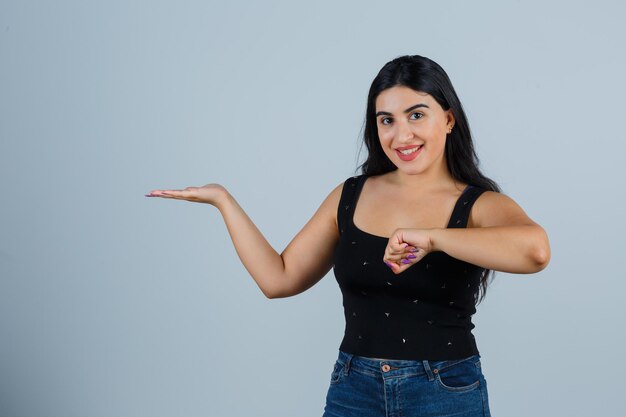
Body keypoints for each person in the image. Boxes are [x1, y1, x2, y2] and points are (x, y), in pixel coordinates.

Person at [145, 55, 550, 417]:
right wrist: (224, 201)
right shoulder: (352, 194)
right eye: (386, 120)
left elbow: (535, 251)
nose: (401, 135)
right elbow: (279, 279)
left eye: (416, 115)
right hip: (354, 390)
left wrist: (433, 238)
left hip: (442, 391)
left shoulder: (477, 203)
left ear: (447, 119)